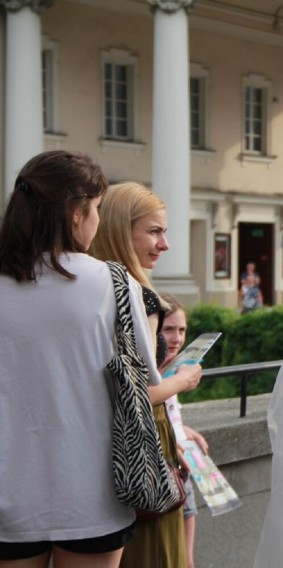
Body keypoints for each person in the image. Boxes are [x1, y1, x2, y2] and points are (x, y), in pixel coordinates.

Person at [0, 151, 159, 567]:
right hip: (90, 490)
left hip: (7, 491)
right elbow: (146, 374)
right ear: (76, 212)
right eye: (98, 209)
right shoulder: (113, 280)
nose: (98, 221)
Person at [89, 182, 202, 568]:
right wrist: (184, 380)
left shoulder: (88, 288)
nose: (164, 243)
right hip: (143, 445)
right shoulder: (139, 297)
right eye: (154, 231)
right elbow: (141, 392)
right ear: (122, 230)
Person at [159, 295, 210, 568]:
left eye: (181, 330)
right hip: (163, 469)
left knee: (189, 511)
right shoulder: (153, 374)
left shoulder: (173, 369)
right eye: (168, 329)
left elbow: (168, 414)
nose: (177, 338)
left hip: (180, 466)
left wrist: (183, 429)